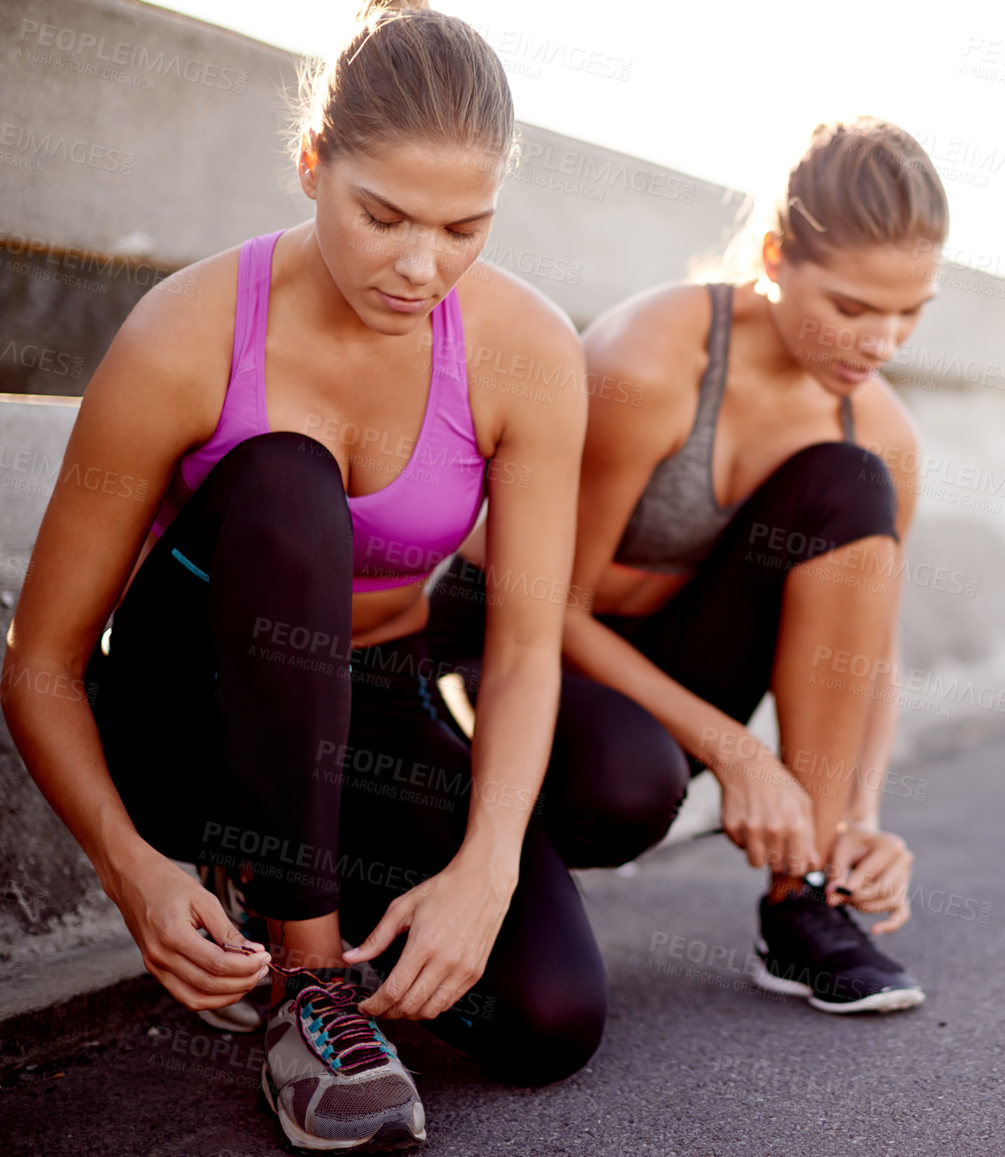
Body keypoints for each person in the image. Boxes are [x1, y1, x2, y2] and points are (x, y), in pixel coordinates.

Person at [0, 1, 599, 1148]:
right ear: (311, 165)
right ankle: (308, 985)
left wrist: (487, 862)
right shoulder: (186, 331)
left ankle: (280, 888)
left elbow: (522, 646)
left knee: (548, 1016)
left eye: (464, 227)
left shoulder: (528, 351)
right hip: (192, 714)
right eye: (382, 215)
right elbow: (42, 662)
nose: (421, 265)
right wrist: (129, 870)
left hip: (368, 701)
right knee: (286, 482)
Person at [424, 117, 947, 1014]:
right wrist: (736, 749)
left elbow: (871, 653)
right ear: (777, 257)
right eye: (853, 308)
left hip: (666, 661)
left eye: (910, 312)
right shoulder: (655, 361)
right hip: (516, 638)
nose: (881, 342)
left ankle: (807, 895)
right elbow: (544, 602)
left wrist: (858, 822)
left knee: (851, 482)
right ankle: (461, 821)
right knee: (631, 789)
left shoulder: (880, 428)